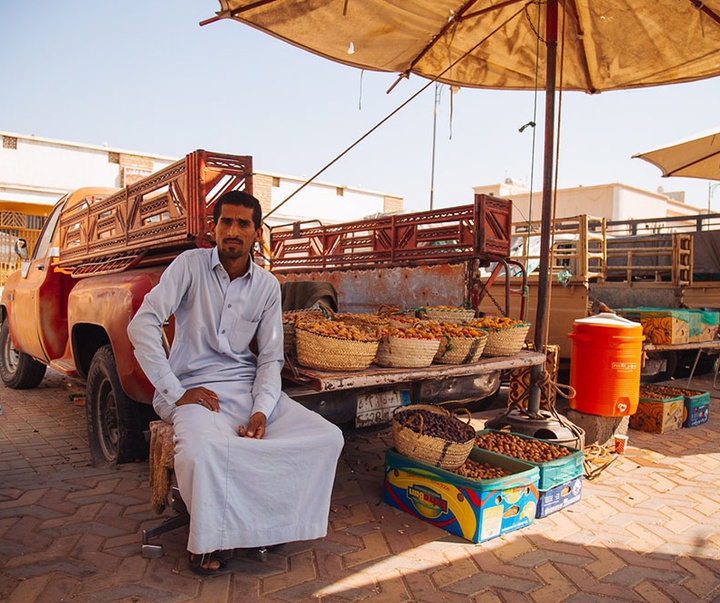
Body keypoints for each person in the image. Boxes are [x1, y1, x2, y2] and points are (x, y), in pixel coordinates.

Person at [128, 190, 344, 576]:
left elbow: (270, 357)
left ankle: (269, 524)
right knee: (202, 452)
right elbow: (141, 325)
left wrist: (261, 409)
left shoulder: (266, 286)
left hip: (246, 390)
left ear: (256, 233)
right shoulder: (188, 267)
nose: (233, 230)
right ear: (213, 229)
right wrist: (176, 392)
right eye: (225, 221)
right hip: (194, 391)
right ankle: (208, 540)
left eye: (243, 223)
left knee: (327, 438)